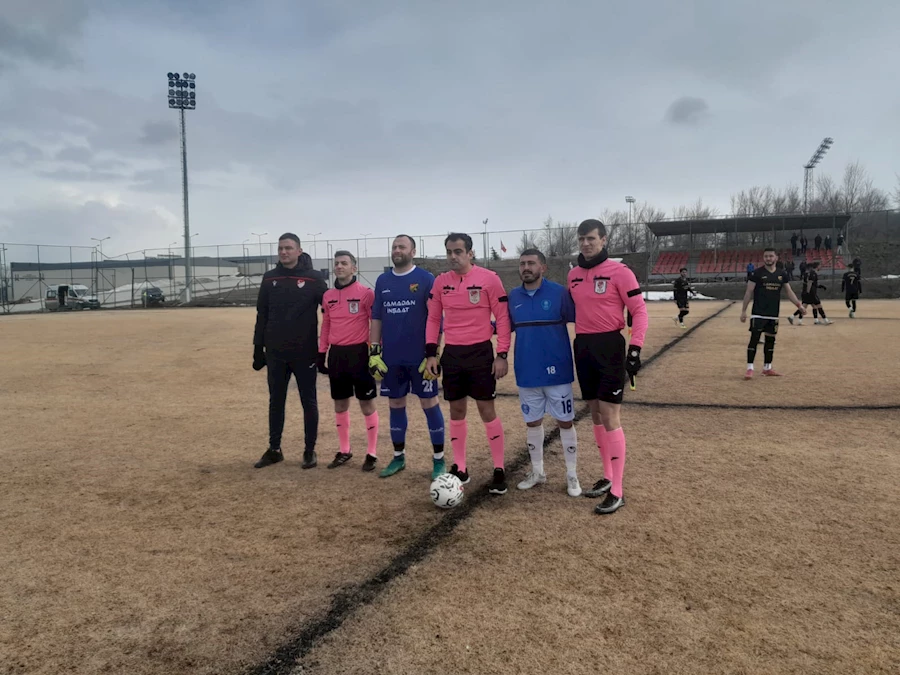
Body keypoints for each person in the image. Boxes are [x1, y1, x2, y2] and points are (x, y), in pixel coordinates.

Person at [567, 219, 648, 515]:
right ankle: (608, 476)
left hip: (610, 346)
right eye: (581, 239)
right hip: (583, 346)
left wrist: (635, 348)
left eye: (591, 238)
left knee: (611, 414)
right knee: (595, 412)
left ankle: (618, 490)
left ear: (603, 240)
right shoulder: (573, 275)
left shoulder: (620, 272)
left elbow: (639, 311)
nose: (585, 243)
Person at [425, 233, 511, 495]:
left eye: (458, 251)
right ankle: (460, 468)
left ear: (470, 253)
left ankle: (499, 469)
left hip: (480, 354)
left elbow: (502, 317)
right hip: (452, 354)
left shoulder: (489, 279)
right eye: (449, 252)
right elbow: (433, 319)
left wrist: (502, 354)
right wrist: (431, 353)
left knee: (487, 410)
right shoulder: (441, 282)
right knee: (457, 410)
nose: (453, 256)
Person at [368, 235, 446, 480]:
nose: (397, 250)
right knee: (395, 404)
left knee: (429, 403)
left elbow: (436, 318)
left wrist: (433, 353)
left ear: (413, 251)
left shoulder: (426, 279)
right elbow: (377, 317)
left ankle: (439, 459)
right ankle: (398, 457)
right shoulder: (383, 280)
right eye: (394, 247)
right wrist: (374, 351)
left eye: (402, 246)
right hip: (392, 357)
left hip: (420, 357)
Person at [508, 249, 581, 497]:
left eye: (531, 263)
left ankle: (571, 474)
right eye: (522, 264)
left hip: (557, 371)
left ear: (543, 267)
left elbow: (580, 319)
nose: (526, 268)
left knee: (565, 421)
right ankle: (537, 472)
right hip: (527, 371)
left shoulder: (559, 293)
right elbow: (504, 327)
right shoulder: (513, 296)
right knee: (532, 422)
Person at [252, 233, 328, 469]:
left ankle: (309, 450)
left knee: (309, 401)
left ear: (299, 250)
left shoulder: (314, 278)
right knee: (276, 401)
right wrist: (258, 348)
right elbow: (262, 314)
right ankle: (274, 449)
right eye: (280, 248)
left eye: (288, 248)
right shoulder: (269, 278)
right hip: (275, 352)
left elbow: (330, 310)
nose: (284, 252)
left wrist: (326, 348)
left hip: (305, 352)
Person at [318, 251, 379, 471]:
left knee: (366, 403)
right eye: (336, 263)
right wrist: (321, 352)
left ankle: (371, 453)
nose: (339, 266)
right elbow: (326, 324)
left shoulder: (366, 294)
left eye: (344, 263)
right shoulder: (328, 295)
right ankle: (344, 450)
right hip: (337, 355)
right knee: (340, 404)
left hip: (360, 354)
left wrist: (376, 352)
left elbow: (375, 323)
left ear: (354, 268)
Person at [740, 248, 805, 379]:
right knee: (754, 340)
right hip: (758, 313)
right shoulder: (757, 273)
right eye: (766, 256)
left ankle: (767, 368)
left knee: (770, 341)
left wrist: (799, 305)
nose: (768, 258)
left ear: (776, 258)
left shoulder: (782, 274)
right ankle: (750, 368)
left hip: (773, 313)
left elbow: (789, 292)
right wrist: (743, 311)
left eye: (770, 256)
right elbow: (748, 292)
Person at [789, 261, 832, 326]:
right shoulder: (813, 273)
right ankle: (825, 320)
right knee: (818, 306)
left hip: (808, 292)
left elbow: (811, 283)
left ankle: (796, 318)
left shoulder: (808, 273)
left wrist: (819, 286)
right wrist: (808, 291)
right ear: (817, 266)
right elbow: (810, 282)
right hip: (811, 293)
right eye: (820, 266)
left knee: (809, 306)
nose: (821, 267)